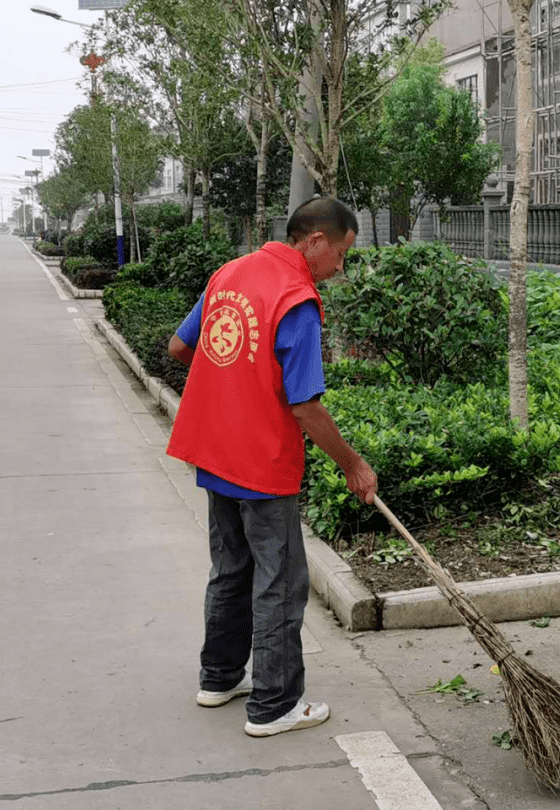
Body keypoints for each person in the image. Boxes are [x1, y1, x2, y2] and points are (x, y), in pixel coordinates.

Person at [166, 197, 377, 738]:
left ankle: (219, 678)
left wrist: (235, 382)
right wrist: (354, 465)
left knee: (231, 569)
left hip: (215, 453)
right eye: (342, 254)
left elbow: (179, 347)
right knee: (280, 581)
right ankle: (276, 703)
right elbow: (305, 405)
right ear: (315, 241)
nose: (340, 268)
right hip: (260, 462)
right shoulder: (296, 298)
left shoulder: (229, 273)